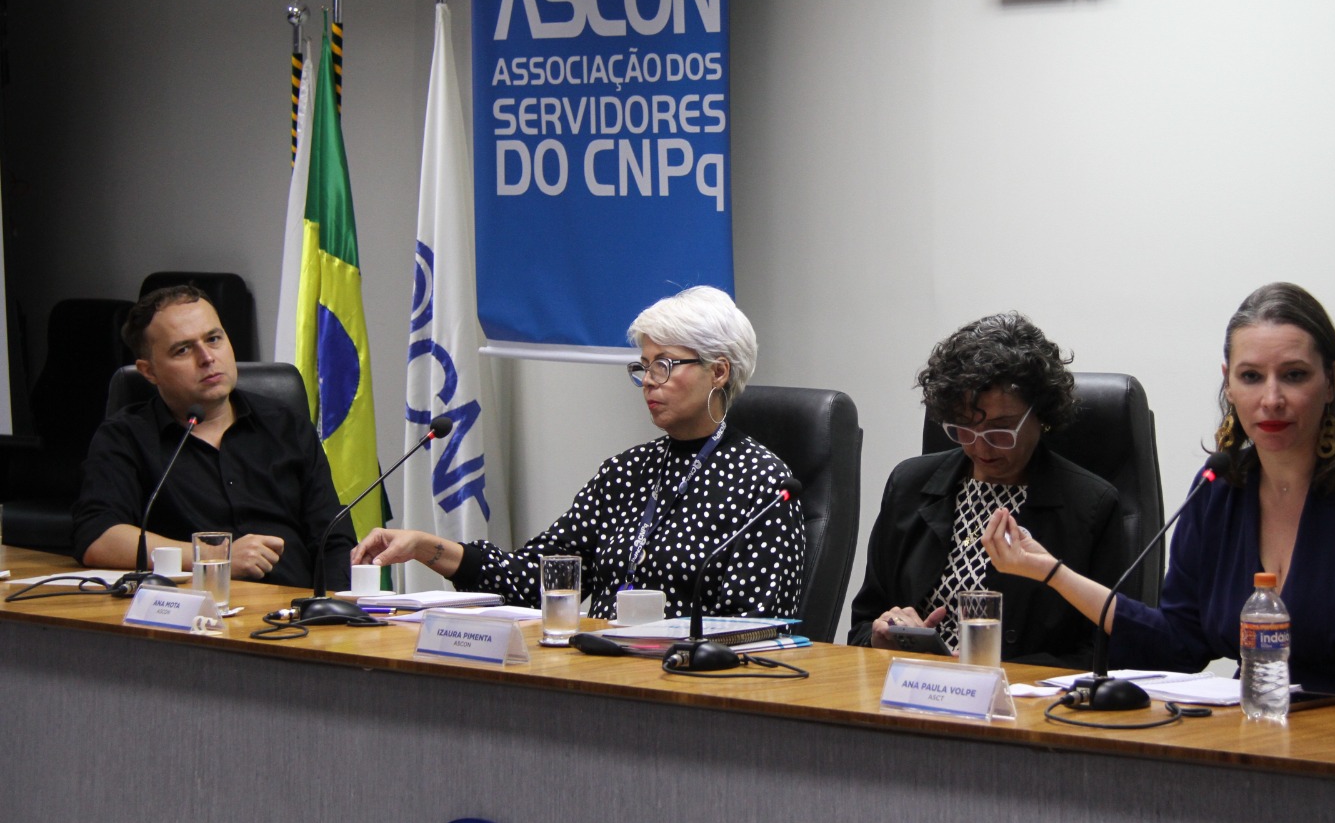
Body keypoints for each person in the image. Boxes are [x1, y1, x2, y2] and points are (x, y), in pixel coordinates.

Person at [985, 282, 1335, 704]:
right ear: (1229, 383)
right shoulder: (1220, 486)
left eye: (1294, 375)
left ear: (1330, 382)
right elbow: (1177, 644)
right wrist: (1051, 572)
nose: (1271, 399)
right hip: (1260, 730)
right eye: (1251, 377)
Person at [353, 285, 804, 618]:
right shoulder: (627, 472)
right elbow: (535, 580)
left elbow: (757, 627)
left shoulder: (763, 485)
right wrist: (427, 547)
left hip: (689, 690)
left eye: (665, 365)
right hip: (599, 675)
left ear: (719, 372)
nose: (648, 381)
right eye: (643, 366)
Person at [848, 312, 1125, 668]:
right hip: (915, 687)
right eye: (964, 428)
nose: (981, 447)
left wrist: (996, 669)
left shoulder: (1091, 506)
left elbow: (1104, 652)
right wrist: (881, 636)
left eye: (1001, 430)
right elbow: (862, 624)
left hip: (1025, 697)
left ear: (1041, 415)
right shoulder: (909, 485)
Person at [73, 284, 352, 588]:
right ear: (149, 371)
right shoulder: (126, 437)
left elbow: (334, 539)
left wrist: (332, 606)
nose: (206, 357)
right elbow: (97, 538)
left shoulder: (287, 426)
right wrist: (215, 555)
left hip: (295, 606)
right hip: (193, 608)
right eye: (183, 349)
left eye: (213, 339)